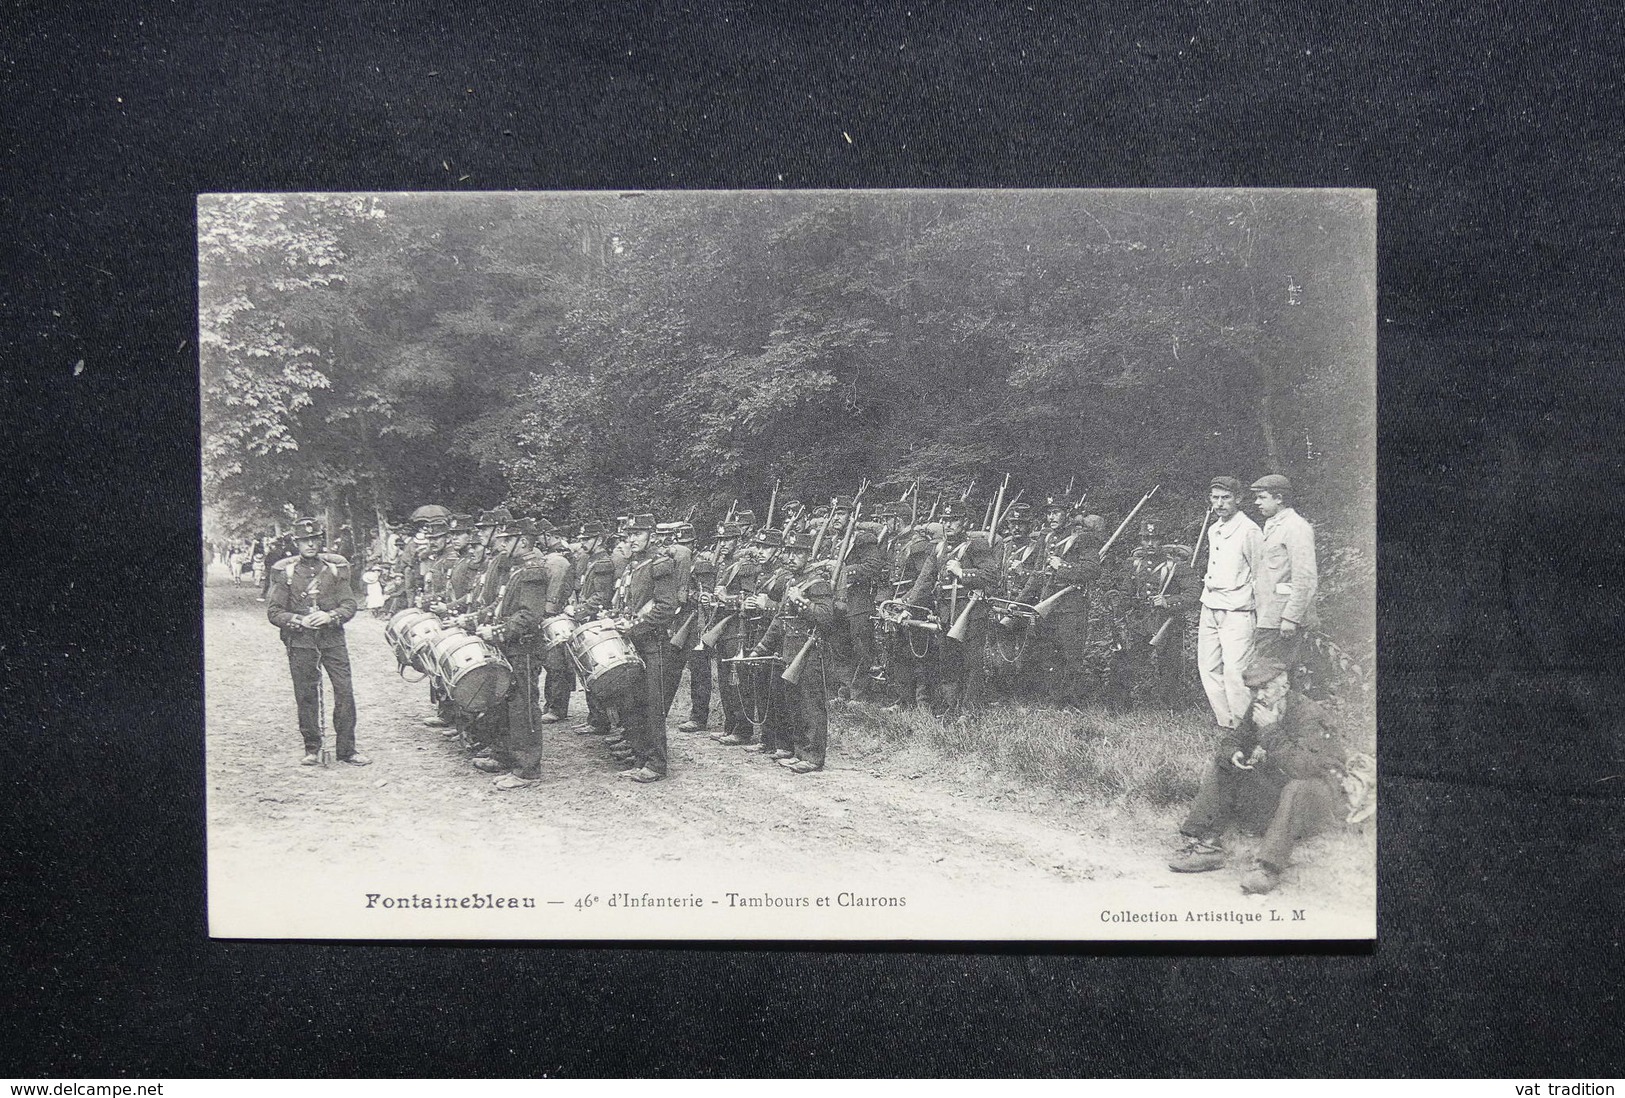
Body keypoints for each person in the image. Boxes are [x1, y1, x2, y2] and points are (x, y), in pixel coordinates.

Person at [1166, 657, 1349, 894]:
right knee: (1222, 765)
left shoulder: (1310, 716)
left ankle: (1269, 867)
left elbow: (1303, 768)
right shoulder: (1260, 707)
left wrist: (1270, 730)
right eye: (1253, 690)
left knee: (1299, 786)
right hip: (1280, 798)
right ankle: (1208, 845)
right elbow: (1233, 740)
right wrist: (1235, 753)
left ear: (1284, 687)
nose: (1258, 696)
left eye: (1265, 688)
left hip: (1317, 801)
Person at [265, 517, 369, 767]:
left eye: (314, 539)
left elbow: (349, 604)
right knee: (306, 694)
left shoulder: (335, 569)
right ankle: (312, 747)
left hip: (332, 641)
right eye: (304, 540)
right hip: (301, 643)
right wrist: (299, 620)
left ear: (320, 540)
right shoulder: (286, 572)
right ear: (297, 543)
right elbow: (274, 612)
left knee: (344, 691)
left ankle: (347, 749)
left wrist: (331, 616)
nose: (310, 544)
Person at [471, 517, 552, 790]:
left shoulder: (533, 571)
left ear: (524, 542)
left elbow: (529, 616)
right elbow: (501, 604)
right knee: (505, 703)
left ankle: (527, 769)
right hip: (511, 645)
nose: (502, 543)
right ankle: (505, 755)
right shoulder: (516, 569)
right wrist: (479, 619)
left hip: (524, 647)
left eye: (507, 540)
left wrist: (497, 633)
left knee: (523, 707)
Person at [750, 530, 836, 773]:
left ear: (808, 555)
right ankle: (799, 752)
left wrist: (802, 601)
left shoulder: (818, 583)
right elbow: (779, 620)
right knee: (794, 704)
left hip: (809, 651)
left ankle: (813, 757)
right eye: (788, 552)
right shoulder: (792, 582)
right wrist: (762, 647)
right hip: (790, 650)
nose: (790, 557)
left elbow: (826, 617)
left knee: (811, 705)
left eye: (797, 553)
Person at [606, 513, 679, 783]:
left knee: (652, 705)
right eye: (629, 534)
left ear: (652, 535)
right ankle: (640, 758)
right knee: (632, 703)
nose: (631, 538)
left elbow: (666, 608)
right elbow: (630, 604)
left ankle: (656, 764)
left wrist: (635, 628)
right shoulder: (634, 565)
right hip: (633, 645)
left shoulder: (660, 564)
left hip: (653, 645)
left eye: (637, 533)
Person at [1196, 475, 1263, 729]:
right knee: (1208, 666)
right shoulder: (1214, 529)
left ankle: (1245, 727)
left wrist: (1262, 614)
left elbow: (1260, 575)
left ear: (1239, 499)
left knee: (1235, 672)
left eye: (1226, 498)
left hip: (1238, 610)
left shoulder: (1249, 530)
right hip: (1210, 605)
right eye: (1215, 498)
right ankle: (1226, 723)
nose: (1220, 503)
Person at [1249, 474, 1318, 672]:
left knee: (1269, 677)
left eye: (1262, 497)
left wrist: (1291, 617)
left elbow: (1305, 578)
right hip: (1268, 615)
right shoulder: (1273, 524)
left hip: (1282, 620)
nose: (1256, 502)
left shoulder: (1296, 528)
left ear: (1279, 498)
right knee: (1267, 677)